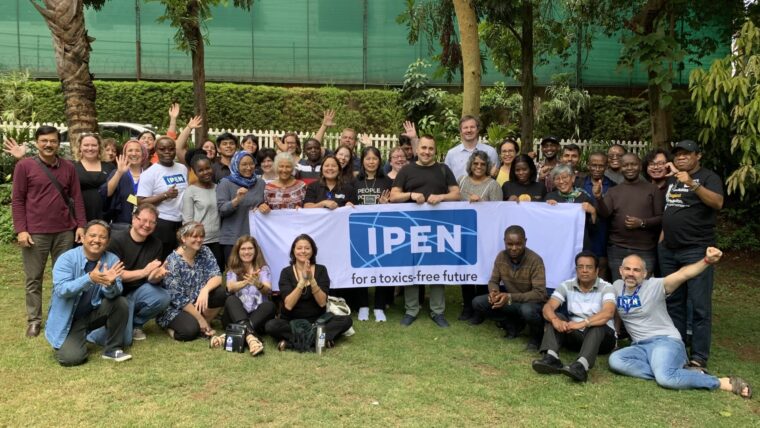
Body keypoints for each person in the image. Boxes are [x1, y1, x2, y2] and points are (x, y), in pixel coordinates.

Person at [608, 249, 751, 399]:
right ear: (620, 270)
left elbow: (684, 274)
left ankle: (721, 382)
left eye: (636, 270)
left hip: (665, 342)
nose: (631, 273)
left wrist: (707, 261)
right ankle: (677, 371)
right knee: (616, 360)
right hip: (639, 346)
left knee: (666, 379)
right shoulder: (617, 287)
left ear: (644, 274)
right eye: (627, 269)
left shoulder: (655, 286)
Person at [10, 126, 86, 337]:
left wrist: (81, 225)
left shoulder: (68, 167)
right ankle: (34, 320)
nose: (48, 144)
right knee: (34, 278)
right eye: (44, 140)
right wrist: (21, 230)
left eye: (52, 141)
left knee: (63, 278)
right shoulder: (25, 166)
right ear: (37, 142)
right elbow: (17, 200)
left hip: (64, 231)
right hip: (36, 233)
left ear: (57, 143)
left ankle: (58, 316)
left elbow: (77, 198)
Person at [661, 140, 723, 369]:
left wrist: (693, 185)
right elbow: (669, 208)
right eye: (677, 154)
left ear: (698, 156)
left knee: (699, 305)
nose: (681, 157)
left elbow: (717, 203)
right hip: (669, 250)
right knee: (674, 303)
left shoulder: (709, 177)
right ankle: (677, 350)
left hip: (696, 250)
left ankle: (698, 356)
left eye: (687, 154)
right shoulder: (672, 179)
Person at [390, 135, 460, 328]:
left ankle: (438, 311)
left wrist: (442, 197)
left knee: (437, 268)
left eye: (430, 148)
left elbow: (456, 193)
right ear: (417, 149)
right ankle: (411, 310)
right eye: (423, 148)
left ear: (434, 150)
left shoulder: (443, 170)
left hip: (438, 229)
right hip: (410, 228)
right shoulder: (406, 169)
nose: (427, 152)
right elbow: (394, 196)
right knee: (412, 267)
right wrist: (411, 195)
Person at [45, 220, 130, 365]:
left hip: (92, 314)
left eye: (102, 237)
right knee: (72, 358)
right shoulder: (66, 259)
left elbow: (115, 294)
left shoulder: (112, 259)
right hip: (68, 319)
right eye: (92, 235)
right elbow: (62, 290)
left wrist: (110, 284)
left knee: (120, 302)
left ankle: (112, 349)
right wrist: (89, 278)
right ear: (83, 237)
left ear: (108, 241)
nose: (97, 240)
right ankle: (74, 339)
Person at [87, 204, 169, 345]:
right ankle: (93, 333)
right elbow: (115, 275)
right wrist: (144, 272)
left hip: (137, 292)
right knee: (125, 341)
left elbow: (150, 277)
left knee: (163, 296)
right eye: (143, 220)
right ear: (133, 219)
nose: (147, 225)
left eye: (152, 222)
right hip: (115, 294)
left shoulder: (156, 244)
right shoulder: (116, 240)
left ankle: (134, 324)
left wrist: (156, 276)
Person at [531, 251, 616, 382]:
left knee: (597, 324)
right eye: (580, 267)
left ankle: (581, 366)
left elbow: (608, 313)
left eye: (589, 267)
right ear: (576, 270)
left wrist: (582, 323)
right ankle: (551, 358)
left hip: (603, 340)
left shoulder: (607, 287)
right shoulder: (566, 285)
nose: (584, 271)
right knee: (556, 316)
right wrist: (555, 320)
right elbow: (548, 307)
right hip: (576, 335)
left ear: (597, 270)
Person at [264, 234, 353, 351]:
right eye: (299, 248)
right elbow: (289, 305)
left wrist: (311, 279)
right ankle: (320, 340)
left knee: (346, 320)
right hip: (291, 321)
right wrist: (302, 281)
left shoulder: (321, 270)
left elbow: (322, 303)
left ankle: (291, 343)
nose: (303, 251)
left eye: (307, 248)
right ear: (293, 251)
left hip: (317, 321)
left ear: (312, 251)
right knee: (271, 326)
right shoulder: (286, 272)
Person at [471, 225, 547, 351]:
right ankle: (512, 324)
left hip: (531, 303)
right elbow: (493, 281)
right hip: (511, 300)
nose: (514, 248)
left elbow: (540, 294)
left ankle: (536, 338)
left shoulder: (535, 260)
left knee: (527, 310)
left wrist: (509, 296)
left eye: (518, 244)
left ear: (525, 241)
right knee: (478, 302)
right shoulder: (501, 256)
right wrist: (494, 293)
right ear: (505, 242)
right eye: (510, 244)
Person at [595, 153, 663, 282]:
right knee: (619, 287)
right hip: (617, 248)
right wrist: (599, 198)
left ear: (640, 167)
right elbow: (605, 214)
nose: (630, 168)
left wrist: (642, 223)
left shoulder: (652, 189)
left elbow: (661, 218)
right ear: (620, 168)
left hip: (645, 249)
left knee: (642, 289)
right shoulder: (613, 191)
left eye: (633, 164)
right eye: (626, 165)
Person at [156, 222, 227, 341]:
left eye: (201, 236)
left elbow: (217, 276)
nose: (199, 240)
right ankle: (170, 328)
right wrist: (199, 319)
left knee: (220, 294)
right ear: (183, 238)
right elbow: (178, 299)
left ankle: (204, 324)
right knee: (189, 332)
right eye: (194, 236)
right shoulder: (173, 261)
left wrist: (205, 289)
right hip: (176, 307)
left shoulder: (205, 251)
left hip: (197, 300)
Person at [457, 150, 501, 324]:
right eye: (475, 163)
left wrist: (483, 205)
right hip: (464, 233)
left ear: (487, 166)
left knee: (482, 272)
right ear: (470, 164)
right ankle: (467, 306)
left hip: (484, 236)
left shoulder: (493, 185)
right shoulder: (461, 181)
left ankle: (479, 309)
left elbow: (498, 212)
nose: (479, 167)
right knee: (465, 272)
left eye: (483, 164)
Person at [214, 235, 276, 356]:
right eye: (243, 249)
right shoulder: (233, 269)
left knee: (269, 305)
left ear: (255, 250)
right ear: (238, 252)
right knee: (231, 299)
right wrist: (247, 281)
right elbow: (230, 287)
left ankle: (231, 335)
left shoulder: (263, 269)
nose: (246, 252)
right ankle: (251, 338)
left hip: (256, 317)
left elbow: (268, 290)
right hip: (234, 316)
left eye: (250, 248)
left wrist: (258, 284)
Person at [353, 146, 393, 321]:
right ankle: (362, 305)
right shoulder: (355, 181)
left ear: (380, 161)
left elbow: (395, 208)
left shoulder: (387, 181)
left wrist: (386, 204)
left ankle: (379, 306)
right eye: (367, 158)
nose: (371, 162)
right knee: (362, 267)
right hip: (360, 230)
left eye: (374, 159)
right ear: (362, 160)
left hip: (381, 230)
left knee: (380, 267)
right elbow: (349, 203)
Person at [136, 136, 188, 260]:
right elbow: (140, 202)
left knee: (180, 260)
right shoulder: (149, 173)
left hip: (182, 222)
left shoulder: (182, 168)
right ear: (156, 151)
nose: (167, 152)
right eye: (162, 149)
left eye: (171, 149)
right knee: (162, 260)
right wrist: (165, 195)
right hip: (162, 222)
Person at [216, 150, 265, 262]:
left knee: (254, 275)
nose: (248, 167)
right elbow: (222, 210)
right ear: (236, 165)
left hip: (254, 239)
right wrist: (236, 200)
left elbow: (262, 203)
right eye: (244, 164)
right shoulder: (225, 183)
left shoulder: (260, 183)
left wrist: (264, 206)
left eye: (251, 163)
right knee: (234, 276)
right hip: (232, 239)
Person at [577, 151, 616, 279]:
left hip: (602, 233)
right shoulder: (579, 184)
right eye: (594, 165)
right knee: (582, 266)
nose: (597, 169)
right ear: (588, 165)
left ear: (606, 166)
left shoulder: (613, 187)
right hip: (582, 232)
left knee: (601, 267)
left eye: (601, 166)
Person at [182, 153, 223, 269]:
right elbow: (187, 221)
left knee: (217, 276)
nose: (205, 172)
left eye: (207, 168)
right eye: (200, 170)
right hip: (199, 242)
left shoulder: (218, 188)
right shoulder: (191, 191)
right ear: (194, 172)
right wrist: (192, 242)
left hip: (218, 240)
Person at [546, 164, 597, 251]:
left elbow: (593, 229)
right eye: (557, 179)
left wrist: (593, 212)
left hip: (580, 243)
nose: (561, 181)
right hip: (558, 244)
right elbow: (545, 225)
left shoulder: (584, 197)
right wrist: (547, 208)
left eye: (565, 177)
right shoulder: (550, 197)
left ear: (573, 178)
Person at [101, 139, 147, 227]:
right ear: (125, 155)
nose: (134, 154)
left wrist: (135, 200)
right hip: (121, 223)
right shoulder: (117, 172)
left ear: (143, 154)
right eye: (130, 150)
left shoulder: (149, 174)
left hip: (144, 224)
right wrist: (119, 173)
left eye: (137, 150)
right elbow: (107, 193)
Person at [74, 133, 116, 221]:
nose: (90, 148)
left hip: (105, 215)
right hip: (80, 216)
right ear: (80, 147)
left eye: (94, 145)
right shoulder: (72, 167)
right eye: (86, 145)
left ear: (99, 147)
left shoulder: (110, 167)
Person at [444, 115, 499, 181]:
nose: (469, 130)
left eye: (472, 127)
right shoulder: (451, 154)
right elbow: (446, 179)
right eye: (465, 127)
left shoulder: (490, 152)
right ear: (460, 131)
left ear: (478, 129)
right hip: (458, 191)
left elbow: (495, 175)